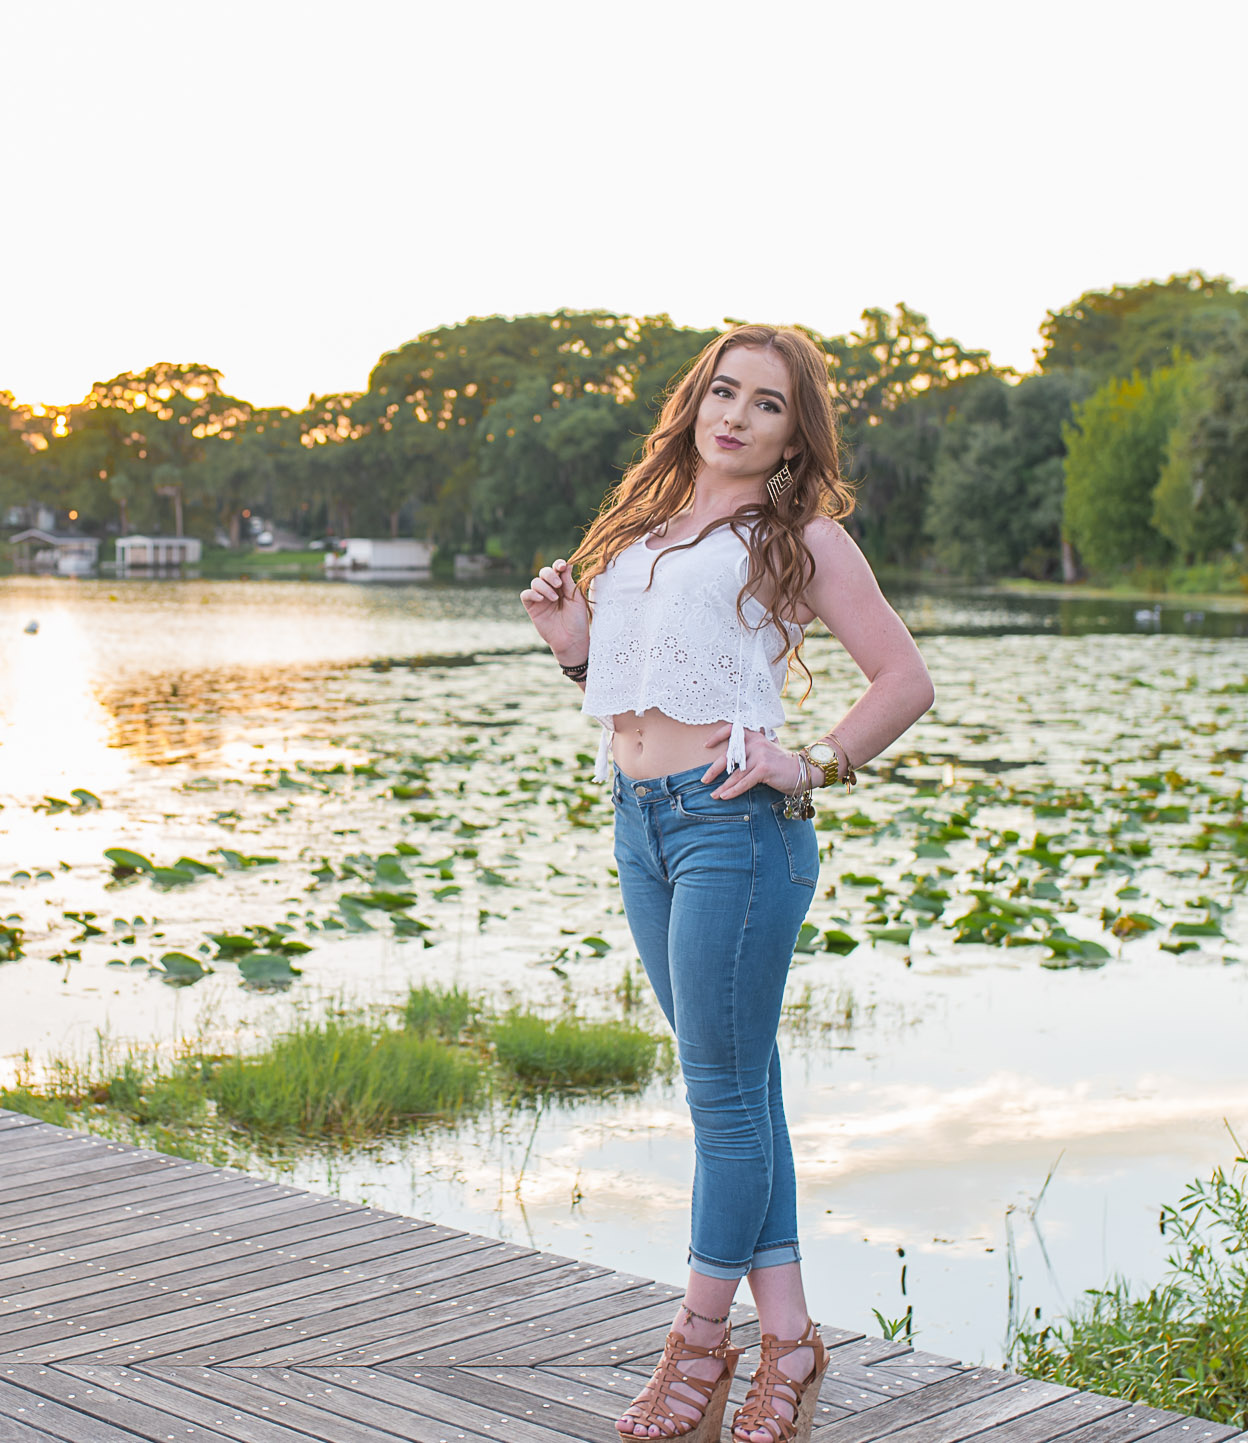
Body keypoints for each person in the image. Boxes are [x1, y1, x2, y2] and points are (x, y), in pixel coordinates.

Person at [520, 324, 934, 1443]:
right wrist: (570, 645)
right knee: (741, 1093)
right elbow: (635, 684)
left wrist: (809, 764)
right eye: (722, 392)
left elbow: (903, 679)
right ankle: (790, 1344)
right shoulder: (643, 526)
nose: (736, 416)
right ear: (693, 402)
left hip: (735, 832)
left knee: (718, 1099)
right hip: (640, 822)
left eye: (765, 404)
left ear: (794, 430)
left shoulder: (799, 533)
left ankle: (695, 1350)